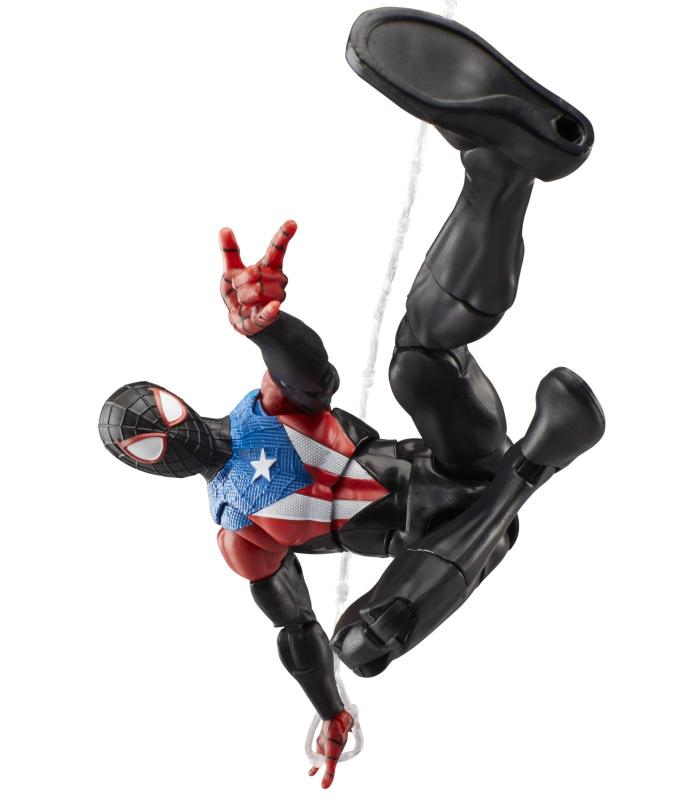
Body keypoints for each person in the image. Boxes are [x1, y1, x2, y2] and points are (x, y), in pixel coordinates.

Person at [98, 8, 605, 788]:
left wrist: (266, 326)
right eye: (142, 440)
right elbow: (296, 629)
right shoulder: (240, 534)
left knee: (418, 363)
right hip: (442, 548)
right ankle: (535, 465)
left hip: (453, 460)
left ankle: (499, 168)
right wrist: (331, 712)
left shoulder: (261, 413)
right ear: (148, 469)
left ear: (174, 399)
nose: (159, 431)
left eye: (152, 413)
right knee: (362, 644)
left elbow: (311, 378)